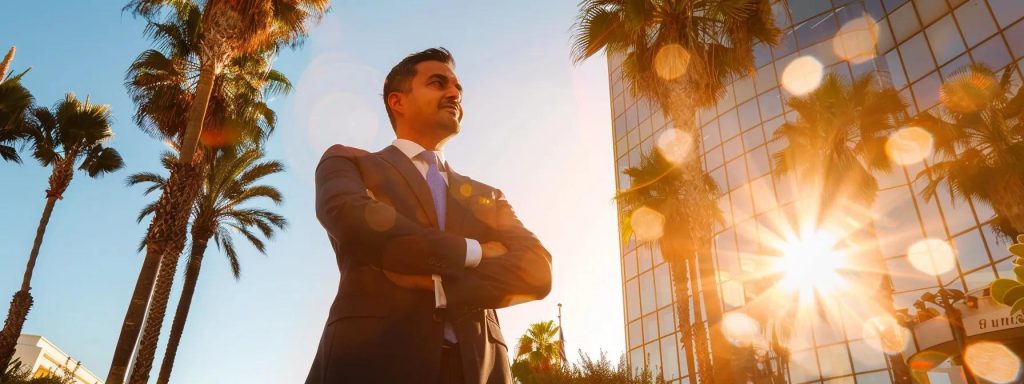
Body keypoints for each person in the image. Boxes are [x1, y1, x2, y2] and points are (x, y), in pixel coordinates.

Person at [305, 47, 552, 384]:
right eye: (438, 83)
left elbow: (537, 271)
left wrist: (441, 287)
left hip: (478, 370)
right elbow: (351, 219)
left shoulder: (488, 196)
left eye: (457, 89)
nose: (454, 94)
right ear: (398, 102)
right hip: (371, 363)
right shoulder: (349, 162)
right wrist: (475, 251)